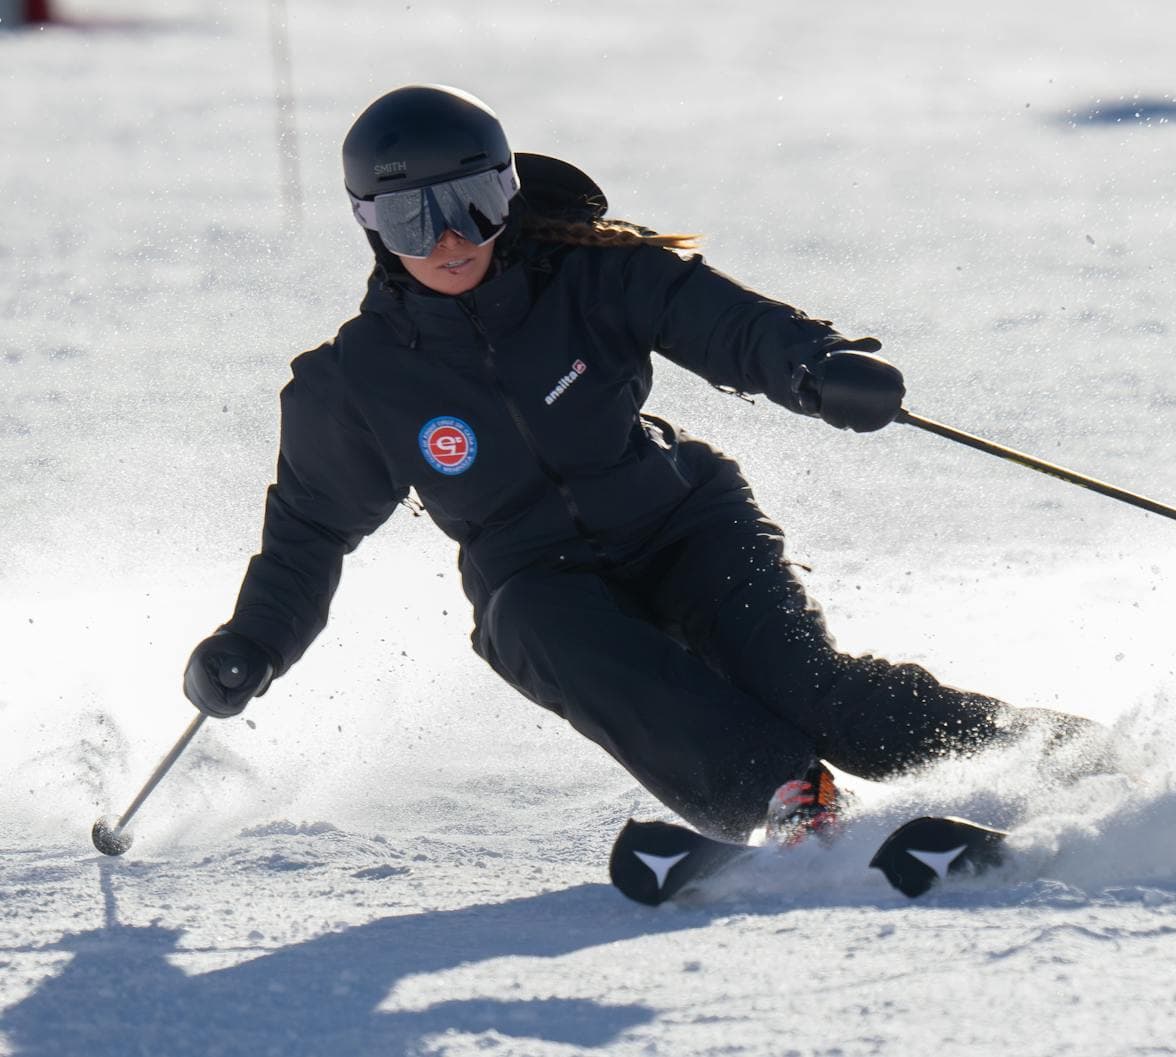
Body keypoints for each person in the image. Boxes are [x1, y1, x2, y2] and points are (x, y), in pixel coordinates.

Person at [181, 84, 1105, 845]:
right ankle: (789, 801)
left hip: (685, 527)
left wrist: (814, 367)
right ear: (370, 226)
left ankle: (1066, 758)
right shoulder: (357, 381)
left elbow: (724, 322)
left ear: (507, 192)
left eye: (472, 206)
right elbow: (309, 532)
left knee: (814, 692)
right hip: (541, 584)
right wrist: (252, 644)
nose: (450, 240)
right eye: (410, 220)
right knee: (530, 619)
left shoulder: (591, 275)